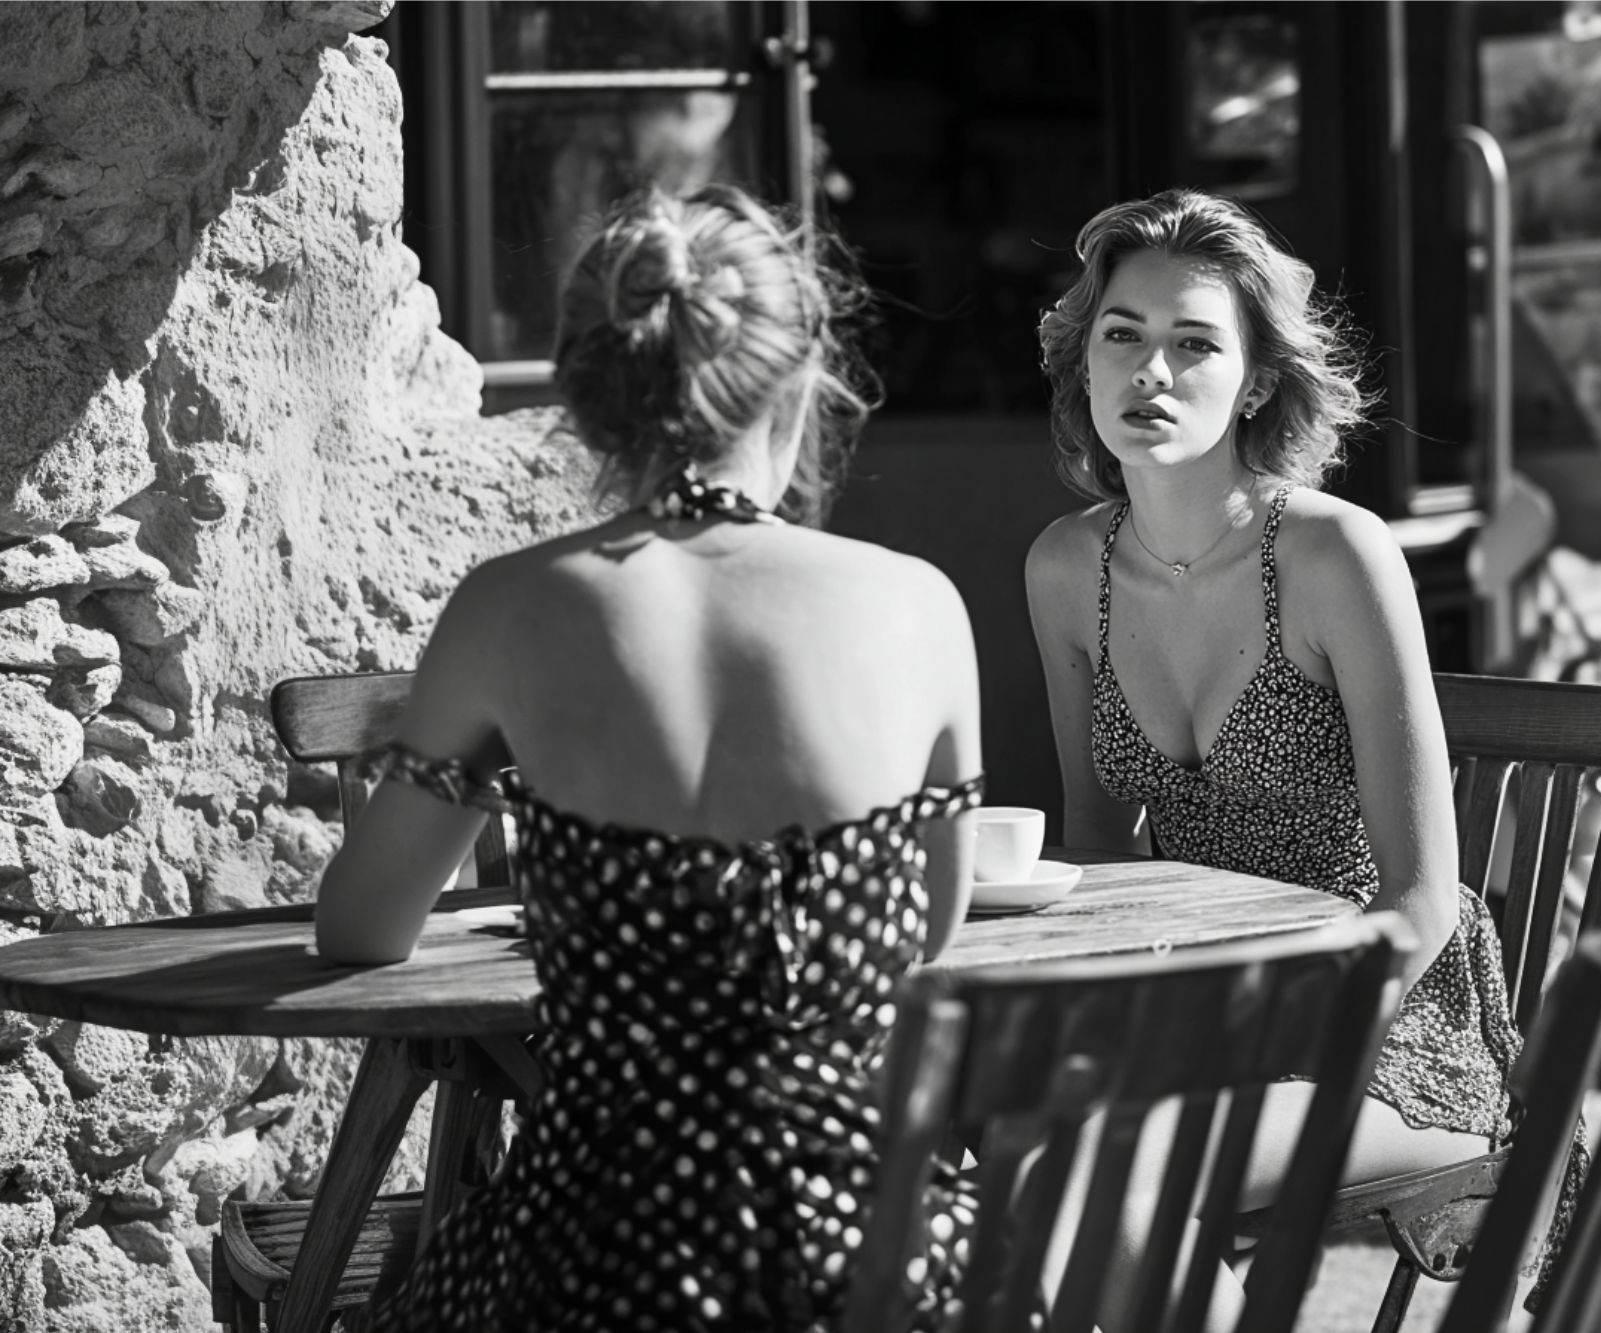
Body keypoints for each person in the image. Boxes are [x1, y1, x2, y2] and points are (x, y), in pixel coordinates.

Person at [313, 183, 985, 1332]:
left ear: (583, 400)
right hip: (873, 1256)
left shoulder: (510, 609)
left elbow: (361, 931)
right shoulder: (917, 605)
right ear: (805, 373)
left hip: (597, 1251)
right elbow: (926, 930)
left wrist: (485, 765)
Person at [1024, 188, 1539, 1329]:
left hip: (1390, 1029)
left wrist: (1257, 1029)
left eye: (1193, 342)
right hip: (1203, 1012)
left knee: (1101, 1170)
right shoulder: (1066, 569)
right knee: (992, 1138)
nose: (1149, 371)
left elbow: (1418, 899)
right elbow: (1099, 850)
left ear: (1255, 379)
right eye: (1122, 335)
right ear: (1085, 363)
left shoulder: (1332, 554)